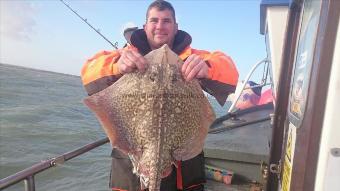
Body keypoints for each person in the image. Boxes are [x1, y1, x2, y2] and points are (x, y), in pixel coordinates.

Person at [81, 0, 239, 190]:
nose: (160, 26)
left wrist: (208, 68)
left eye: (166, 21)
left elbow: (229, 71)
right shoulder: (126, 54)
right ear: (145, 25)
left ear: (176, 27)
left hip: (183, 169)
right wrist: (117, 65)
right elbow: (88, 71)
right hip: (132, 161)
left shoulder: (191, 57)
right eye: (154, 20)